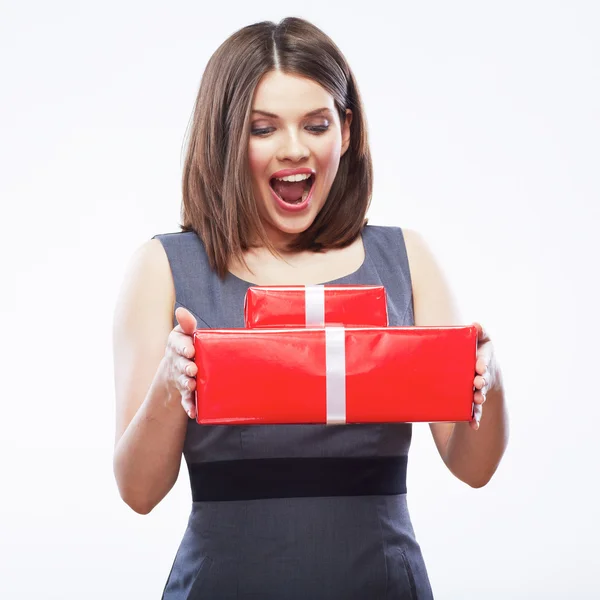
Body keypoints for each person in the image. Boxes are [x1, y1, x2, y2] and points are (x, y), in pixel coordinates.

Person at [112, 17, 509, 599]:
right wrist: (172, 385)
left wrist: (489, 382)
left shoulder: (407, 258)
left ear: (344, 132)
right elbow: (137, 492)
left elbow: (473, 468)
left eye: (316, 124)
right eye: (263, 128)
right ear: (226, 138)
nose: (294, 148)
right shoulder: (163, 268)